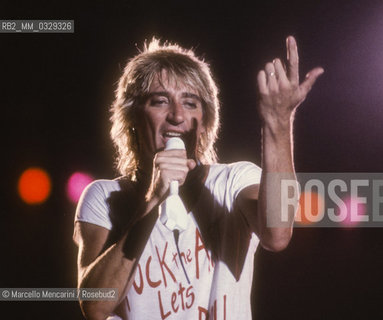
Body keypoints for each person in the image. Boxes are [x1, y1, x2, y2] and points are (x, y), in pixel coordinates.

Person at [73, 35, 323, 320]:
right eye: (160, 101)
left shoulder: (234, 181)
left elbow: (277, 236)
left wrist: (277, 122)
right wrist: (153, 200)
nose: (177, 116)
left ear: (204, 124)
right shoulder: (103, 197)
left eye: (190, 103)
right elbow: (94, 306)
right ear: (132, 118)